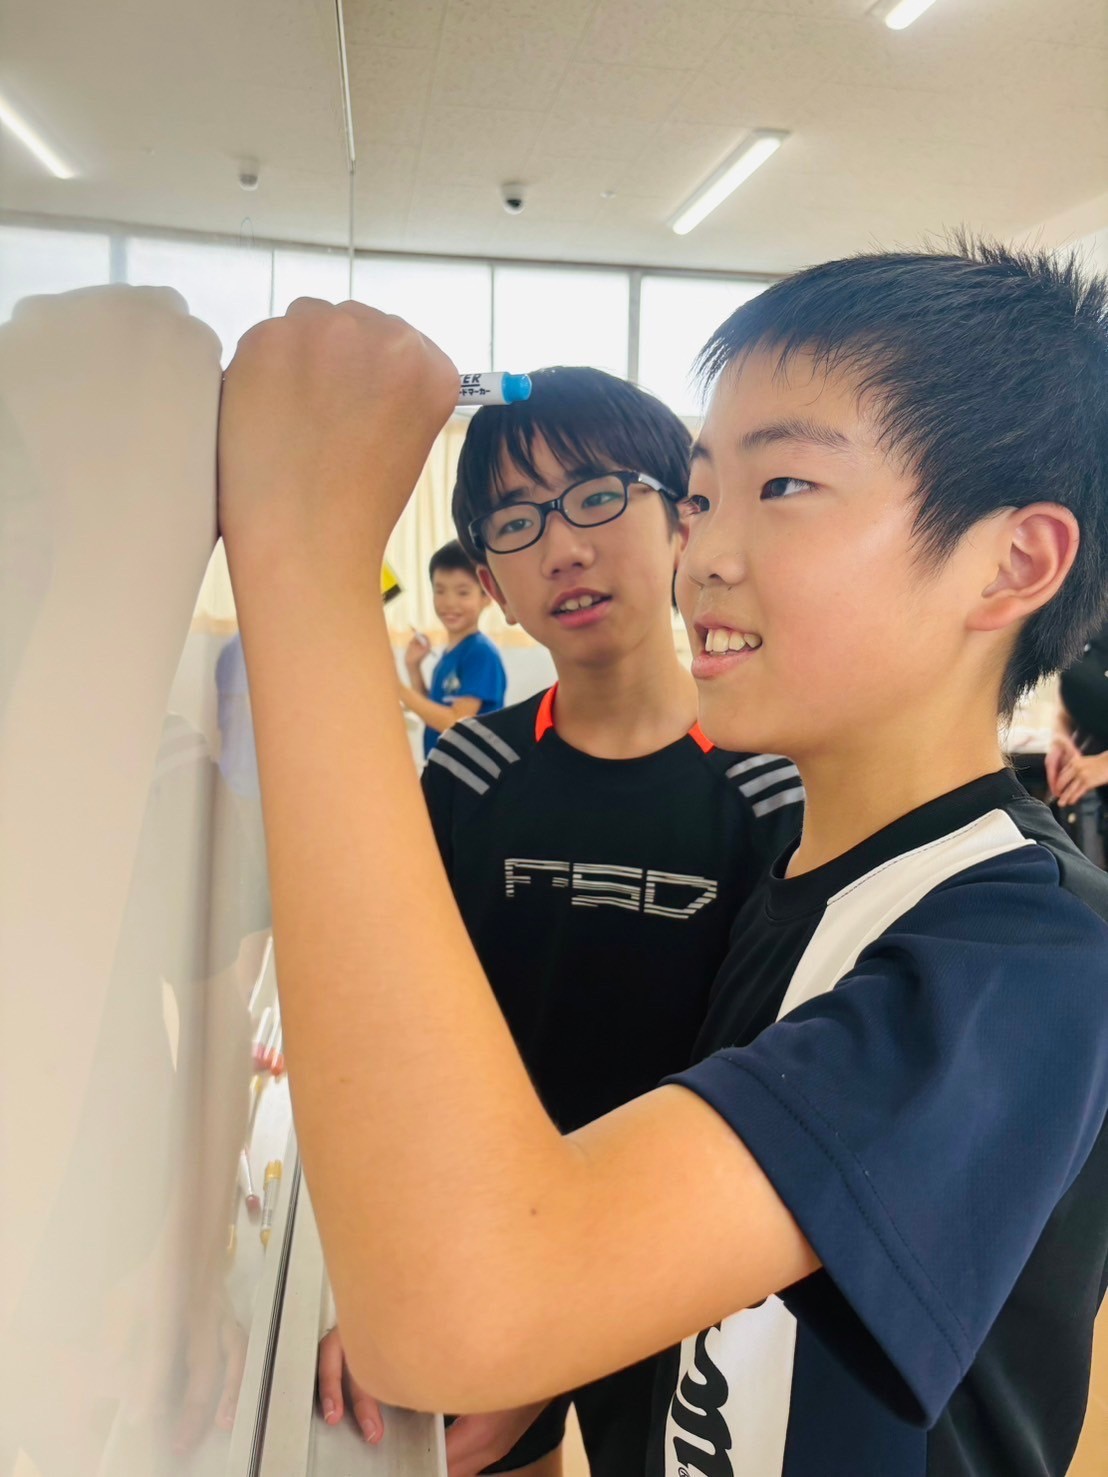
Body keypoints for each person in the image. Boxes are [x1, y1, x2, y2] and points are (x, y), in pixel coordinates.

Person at [218, 239, 1108, 1477]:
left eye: (782, 485)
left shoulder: (1022, 958)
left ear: (1014, 563)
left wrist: (306, 548)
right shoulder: (811, 892)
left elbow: (464, 1314)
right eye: (699, 497)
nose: (707, 554)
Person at [317, 366, 803, 1476]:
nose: (564, 548)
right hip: (490, 1237)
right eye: (517, 522)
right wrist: (386, 1277)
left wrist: (556, 1341)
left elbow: (765, 1087)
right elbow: (401, 1036)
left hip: (687, 1268)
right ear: (492, 578)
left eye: (596, 496)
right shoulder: (469, 775)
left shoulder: (771, 792)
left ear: (682, 520)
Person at [400, 539, 507, 758]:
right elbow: (432, 712)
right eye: (440, 591)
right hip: (445, 770)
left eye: (462, 592)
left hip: (470, 775)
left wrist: (395, 687)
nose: (449, 603)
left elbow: (454, 722)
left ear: (487, 596)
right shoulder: (449, 656)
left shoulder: (481, 653)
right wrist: (413, 667)